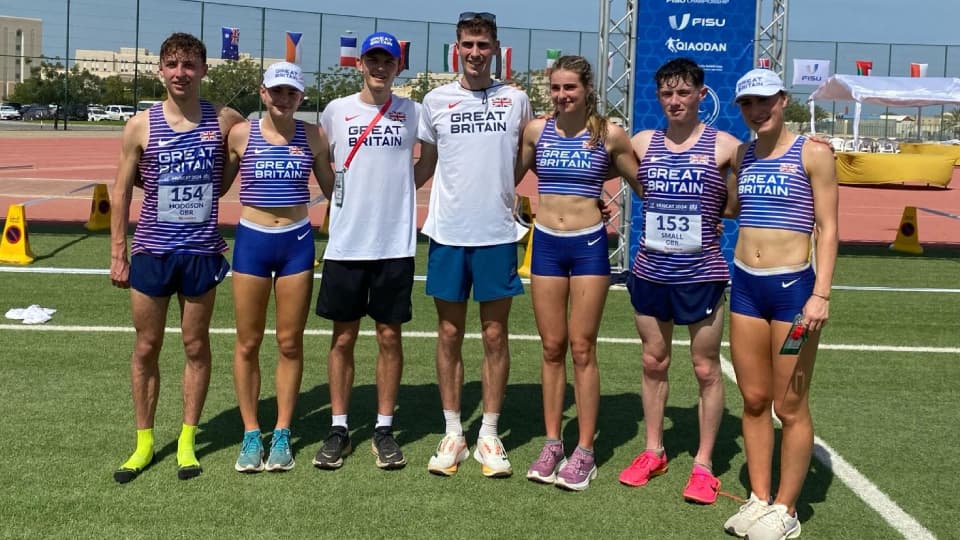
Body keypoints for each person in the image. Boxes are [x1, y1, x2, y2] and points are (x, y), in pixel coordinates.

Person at [109, 32, 245, 483]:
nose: (180, 73)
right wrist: (117, 254)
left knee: (194, 345)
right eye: (172, 64)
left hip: (201, 253)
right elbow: (122, 190)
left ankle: (187, 441)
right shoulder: (140, 126)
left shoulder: (224, 119)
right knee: (146, 347)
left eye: (189, 65)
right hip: (152, 250)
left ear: (204, 70)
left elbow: (235, 163)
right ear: (160, 70)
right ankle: (144, 442)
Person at [617, 58, 742, 505]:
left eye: (684, 92)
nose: (675, 101)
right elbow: (605, 167)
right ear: (659, 97)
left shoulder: (725, 146)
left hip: (702, 274)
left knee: (706, 368)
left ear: (701, 95)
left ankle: (705, 463)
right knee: (654, 362)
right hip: (651, 273)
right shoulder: (643, 142)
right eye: (667, 93)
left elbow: (748, 190)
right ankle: (654, 450)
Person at [722, 68, 837, 540]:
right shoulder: (742, 155)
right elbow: (729, 205)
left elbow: (828, 229)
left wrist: (821, 294)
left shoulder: (813, 153)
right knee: (752, 400)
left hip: (793, 296)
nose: (757, 110)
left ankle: (786, 509)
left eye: (765, 100)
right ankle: (759, 498)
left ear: (783, 99)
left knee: (789, 405)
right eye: (748, 104)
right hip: (746, 290)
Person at [514, 55, 639, 491]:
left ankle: (585, 449)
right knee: (551, 347)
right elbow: (506, 176)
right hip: (546, 243)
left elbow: (643, 183)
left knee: (582, 347)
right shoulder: (535, 131)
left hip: (588, 247)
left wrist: (616, 202)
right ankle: (553, 442)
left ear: (588, 90)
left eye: (571, 88)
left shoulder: (610, 135)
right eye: (556, 88)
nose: (563, 96)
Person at [416, 11, 532, 478]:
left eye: (483, 45)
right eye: (468, 44)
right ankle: (453, 432)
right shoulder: (434, 100)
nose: (475, 53)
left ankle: (488, 433)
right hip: (447, 233)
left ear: (496, 49)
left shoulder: (516, 99)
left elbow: (525, 155)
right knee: (448, 334)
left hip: (497, 235)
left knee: (494, 335)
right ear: (456, 48)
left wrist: (504, 190)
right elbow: (425, 165)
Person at [310, 31, 425, 471]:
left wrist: (401, 193)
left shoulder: (412, 112)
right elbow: (324, 161)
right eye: (372, 60)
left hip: (394, 243)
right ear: (360, 65)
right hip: (346, 243)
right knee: (342, 337)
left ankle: (383, 427)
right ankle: (339, 427)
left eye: (388, 61)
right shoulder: (337, 111)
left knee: (389, 336)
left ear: (398, 67)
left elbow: (427, 158)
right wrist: (341, 199)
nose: (380, 68)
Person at [222, 61, 333, 473]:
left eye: (292, 93)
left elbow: (334, 190)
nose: (284, 99)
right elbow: (216, 185)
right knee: (247, 342)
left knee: (290, 342)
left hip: (296, 243)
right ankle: (252, 433)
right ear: (262, 93)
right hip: (252, 241)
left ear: (301, 97)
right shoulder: (241, 134)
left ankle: (283, 431)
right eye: (276, 91)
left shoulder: (314, 136)